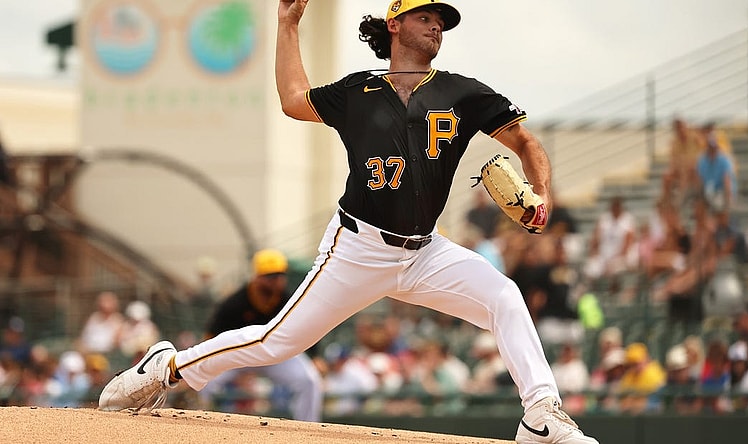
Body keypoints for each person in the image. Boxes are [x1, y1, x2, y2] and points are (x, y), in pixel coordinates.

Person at [99, 2, 598, 442]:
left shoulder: (463, 93)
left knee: (504, 297)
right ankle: (166, 367)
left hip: (426, 252)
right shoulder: (359, 91)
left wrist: (543, 192)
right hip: (357, 248)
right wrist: (287, 26)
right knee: (277, 341)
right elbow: (293, 100)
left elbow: (526, 143)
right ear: (395, 26)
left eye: (441, 21)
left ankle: (540, 415)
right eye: (425, 16)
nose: (436, 26)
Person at [194, 249, 323, 422]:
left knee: (309, 380)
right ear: (258, 277)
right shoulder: (235, 303)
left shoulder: (288, 299)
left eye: (280, 275)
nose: (278, 281)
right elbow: (211, 336)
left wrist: (315, 356)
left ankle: (309, 428)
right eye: (271, 276)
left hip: (275, 356)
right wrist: (206, 364)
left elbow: (306, 327)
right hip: (239, 356)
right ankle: (197, 423)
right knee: (203, 379)